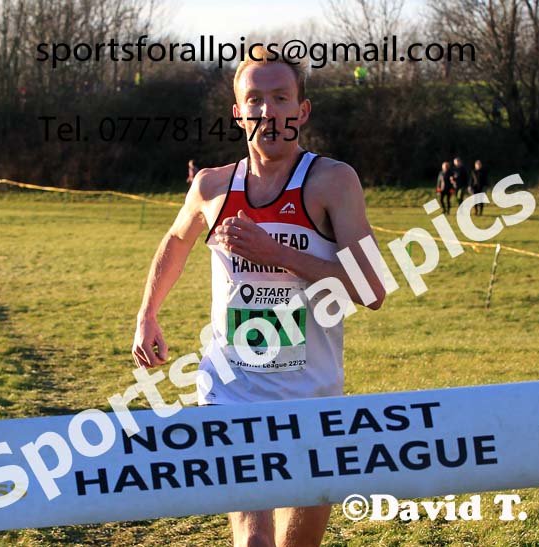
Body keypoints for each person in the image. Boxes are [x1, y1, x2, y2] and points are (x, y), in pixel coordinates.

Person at [132, 45, 386, 547]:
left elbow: (372, 289)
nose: (267, 111)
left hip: (311, 394)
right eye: (254, 99)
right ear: (238, 112)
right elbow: (177, 241)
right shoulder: (211, 186)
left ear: (302, 110)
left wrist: (278, 254)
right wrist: (148, 314)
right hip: (230, 391)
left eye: (281, 98)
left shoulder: (332, 182)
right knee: (254, 541)